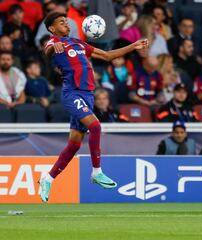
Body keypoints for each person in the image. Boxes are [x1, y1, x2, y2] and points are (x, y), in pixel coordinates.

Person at [38, 11, 148, 203]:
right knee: (95, 126)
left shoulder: (78, 43)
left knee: (74, 144)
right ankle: (97, 172)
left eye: (67, 21)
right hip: (72, 94)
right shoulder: (53, 42)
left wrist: (133, 46)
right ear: (51, 28)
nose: (66, 24)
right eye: (61, 22)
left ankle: (48, 178)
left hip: (87, 95)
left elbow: (106, 56)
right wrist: (52, 46)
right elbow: (46, 51)